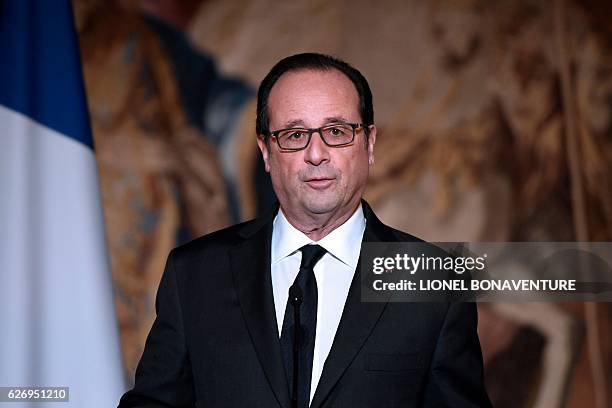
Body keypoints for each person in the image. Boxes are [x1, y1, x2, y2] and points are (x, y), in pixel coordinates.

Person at [118, 53, 492, 407]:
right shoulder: (196, 274)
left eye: (336, 130)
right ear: (266, 151)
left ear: (370, 143)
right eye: (295, 135)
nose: (317, 154)